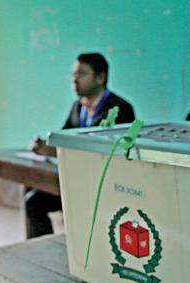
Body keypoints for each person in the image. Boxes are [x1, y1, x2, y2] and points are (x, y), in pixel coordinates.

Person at [26, 53, 136, 238]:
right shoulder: (78, 107)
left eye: (81, 74)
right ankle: (42, 252)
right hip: (75, 180)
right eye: (73, 75)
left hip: (105, 185)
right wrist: (43, 145)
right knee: (33, 201)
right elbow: (63, 138)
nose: (75, 80)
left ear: (100, 77)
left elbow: (103, 150)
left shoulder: (120, 109)